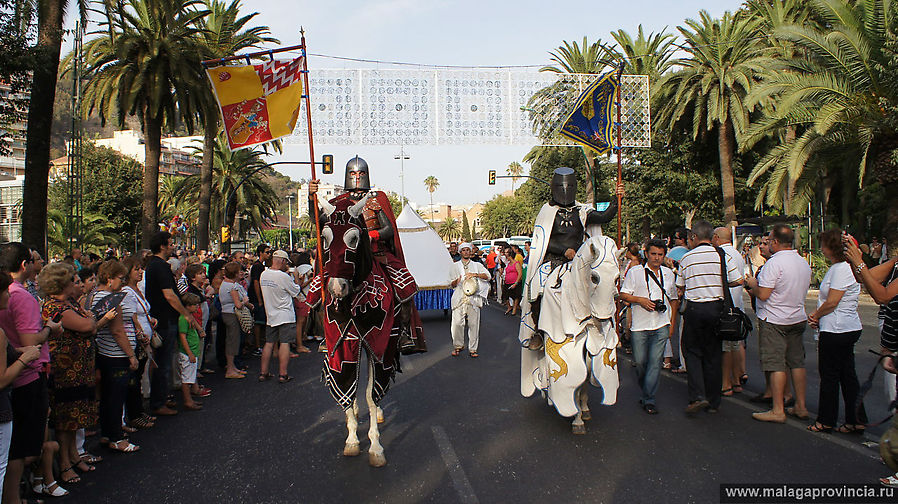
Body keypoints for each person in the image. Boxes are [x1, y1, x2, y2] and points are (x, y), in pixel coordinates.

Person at [308, 156, 425, 354]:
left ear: (366, 175)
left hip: (377, 253)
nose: (356, 177)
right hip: (346, 257)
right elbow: (318, 221)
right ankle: (327, 334)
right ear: (347, 176)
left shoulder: (375, 199)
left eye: (360, 173)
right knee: (318, 290)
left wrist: (371, 235)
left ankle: (403, 332)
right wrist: (312, 198)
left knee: (405, 284)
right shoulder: (337, 202)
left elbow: (388, 229)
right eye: (353, 173)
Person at [0, 243, 62, 504]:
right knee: (19, 451)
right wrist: (50, 329)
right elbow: (30, 341)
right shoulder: (21, 296)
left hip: (18, 379)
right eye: (35, 260)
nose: (38, 265)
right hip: (26, 377)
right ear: (25, 265)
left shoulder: (12, 293)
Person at [38, 262, 106, 489]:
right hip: (65, 371)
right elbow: (87, 325)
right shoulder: (54, 306)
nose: (75, 283)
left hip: (79, 369)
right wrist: (91, 322)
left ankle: (74, 455)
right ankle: (65, 463)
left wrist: (90, 322)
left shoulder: (69, 303)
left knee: (74, 419)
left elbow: (89, 323)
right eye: (71, 280)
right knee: (65, 419)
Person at [744, 224, 812, 423]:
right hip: (797, 316)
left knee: (776, 365)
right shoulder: (802, 262)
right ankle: (800, 405)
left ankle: (778, 409)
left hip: (774, 319)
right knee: (797, 362)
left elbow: (763, 294)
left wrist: (753, 285)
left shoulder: (774, 263)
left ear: (775, 241)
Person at [675, 220, 742, 415]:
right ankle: (714, 401)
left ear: (694, 237)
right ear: (711, 237)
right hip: (716, 309)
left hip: (695, 310)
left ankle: (697, 395)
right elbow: (737, 279)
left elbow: (680, 286)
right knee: (713, 354)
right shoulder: (721, 255)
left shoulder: (687, 258)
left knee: (692, 352)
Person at [805, 229, 866, 433]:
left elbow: (832, 301)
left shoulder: (841, 269)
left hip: (836, 328)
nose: (821, 249)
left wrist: (816, 315)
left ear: (831, 248)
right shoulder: (847, 268)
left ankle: (826, 419)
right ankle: (855, 419)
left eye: (823, 245)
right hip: (845, 326)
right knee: (848, 376)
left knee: (830, 376)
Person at [145, 231, 203, 416]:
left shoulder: (156, 266)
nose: (173, 247)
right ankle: (158, 402)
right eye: (170, 244)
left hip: (163, 318)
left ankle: (161, 399)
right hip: (164, 319)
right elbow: (169, 295)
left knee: (165, 362)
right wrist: (186, 314)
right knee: (163, 363)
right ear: (162, 246)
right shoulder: (159, 267)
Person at [619, 239, 679, 414]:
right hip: (640, 325)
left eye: (660, 255)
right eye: (653, 254)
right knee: (640, 363)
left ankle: (649, 399)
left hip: (661, 324)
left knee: (654, 363)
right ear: (646, 254)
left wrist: (672, 324)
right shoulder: (635, 272)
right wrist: (640, 300)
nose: (656, 258)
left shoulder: (668, 274)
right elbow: (623, 294)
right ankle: (647, 389)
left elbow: (674, 300)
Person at [90, 260, 141, 453]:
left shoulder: (95, 295)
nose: (122, 281)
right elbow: (118, 330)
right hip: (116, 355)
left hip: (106, 353)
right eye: (120, 278)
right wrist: (131, 355)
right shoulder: (110, 298)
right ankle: (116, 438)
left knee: (108, 397)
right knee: (115, 397)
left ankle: (107, 434)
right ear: (110, 279)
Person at [121, 256, 157, 431]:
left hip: (144, 337)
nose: (141, 271)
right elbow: (132, 315)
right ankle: (134, 414)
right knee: (133, 380)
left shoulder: (137, 289)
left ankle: (138, 411)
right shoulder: (127, 291)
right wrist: (140, 333)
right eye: (136, 269)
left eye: (141, 268)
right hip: (136, 340)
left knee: (140, 374)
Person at [259, 250, 305, 382]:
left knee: (269, 343)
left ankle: (263, 372)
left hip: (271, 314)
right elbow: (296, 290)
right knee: (285, 343)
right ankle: (283, 374)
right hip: (285, 314)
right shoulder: (283, 277)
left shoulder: (264, 274)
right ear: (283, 261)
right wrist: (296, 277)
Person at [713, 227, 748, 396]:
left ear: (717, 238)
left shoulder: (722, 255)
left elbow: (735, 280)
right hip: (737, 305)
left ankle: (727, 383)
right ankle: (737, 377)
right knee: (736, 344)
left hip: (727, 307)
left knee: (726, 347)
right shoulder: (737, 254)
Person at [449, 243, 490, 357]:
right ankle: (458, 346)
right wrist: (457, 281)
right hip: (459, 298)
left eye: (468, 250)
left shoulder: (477, 265)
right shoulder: (455, 266)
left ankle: (473, 348)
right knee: (457, 324)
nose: (466, 252)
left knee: (474, 324)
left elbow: (488, 276)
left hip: (473, 299)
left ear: (471, 252)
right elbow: (450, 284)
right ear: (460, 252)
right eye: (464, 250)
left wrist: (475, 275)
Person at [220, 261, 250, 379]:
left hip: (228, 313)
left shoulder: (226, 284)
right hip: (231, 314)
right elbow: (238, 304)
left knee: (232, 341)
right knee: (232, 341)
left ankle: (232, 367)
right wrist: (245, 301)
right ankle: (230, 369)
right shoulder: (232, 287)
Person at [177, 292, 204, 411]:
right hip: (188, 353)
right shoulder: (183, 319)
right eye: (195, 305)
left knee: (190, 376)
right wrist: (190, 353)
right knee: (186, 378)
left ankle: (191, 397)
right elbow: (182, 337)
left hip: (192, 350)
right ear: (188, 306)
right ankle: (188, 401)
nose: (197, 307)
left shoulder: (189, 317)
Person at [248, 244, 272, 357]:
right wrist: (259, 299)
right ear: (261, 253)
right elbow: (256, 282)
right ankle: (257, 346)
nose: (269, 254)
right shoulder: (257, 267)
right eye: (267, 252)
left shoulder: (261, 266)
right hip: (257, 299)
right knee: (258, 322)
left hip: (261, 298)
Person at [502, 247, 523, 316]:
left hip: (515, 282)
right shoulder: (508, 263)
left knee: (515, 296)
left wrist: (516, 283)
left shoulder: (516, 263)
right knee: (505, 295)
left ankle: (514, 309)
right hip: (507, 282)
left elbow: (520, 273)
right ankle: (509, 307)